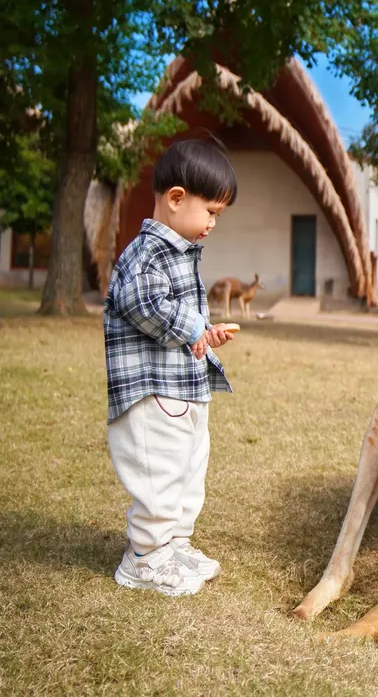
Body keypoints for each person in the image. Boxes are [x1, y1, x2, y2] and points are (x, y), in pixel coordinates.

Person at [103, 138, 238, 597]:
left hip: (181, 390)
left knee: (187, 470)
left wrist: (205, 333)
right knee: (159, 473)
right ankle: (143, 556)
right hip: (152, 394)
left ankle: (173, 543)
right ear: (177, 198)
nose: (213, 223)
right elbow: (143, 303)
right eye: (211, 212)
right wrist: (193, 325)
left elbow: (175, 320)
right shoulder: (148, 252)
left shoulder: (178, 253)